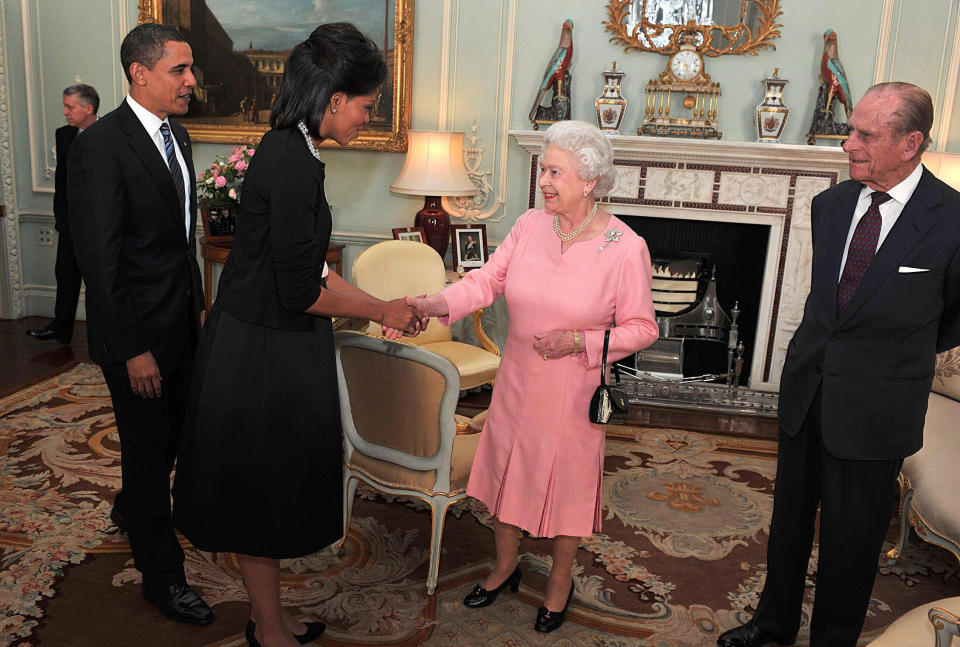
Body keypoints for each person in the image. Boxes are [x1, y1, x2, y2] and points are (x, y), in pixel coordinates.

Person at [172, 23, 425, 647]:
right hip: (261, 354)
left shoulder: (295, 151)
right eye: (367, 106)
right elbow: (301, 290)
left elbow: (307, 270)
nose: (368, 118)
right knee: (261, 495)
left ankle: (271, 616)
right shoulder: (289, 162)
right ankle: (267, 627)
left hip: (276, 342)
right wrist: (380, 308)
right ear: (334, 99)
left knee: (272, 488)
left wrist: (375, 305)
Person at [717, 82, 960, 647]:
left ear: (911, 143)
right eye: (851, 129)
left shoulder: (952, 220)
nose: (847, 143)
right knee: (789, 524)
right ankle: (771, 626)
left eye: (865, 135)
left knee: (853, 541)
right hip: (809, 390)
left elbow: (951, 317)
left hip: (878, 405)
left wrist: (891, 355)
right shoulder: (829, 206)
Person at [409, 120, 659, 634]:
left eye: (555, 172)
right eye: (543, 169)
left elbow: (642, 328)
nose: (544, 180)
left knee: (566, 488)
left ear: (589, 181)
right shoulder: (528, 226)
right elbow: (487, 281)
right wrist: (439, 301)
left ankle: (560, 582)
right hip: (517, 380)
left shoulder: (625, 246)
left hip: (573, 388)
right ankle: (504, 566)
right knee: (507, 476)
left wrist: (579, 341)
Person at [68, 23, 213, 625]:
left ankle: (132, 505)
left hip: (179, 323)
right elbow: (99, 263)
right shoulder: (100, 146)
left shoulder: (176, 135)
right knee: (149, 454)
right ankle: (162, 578)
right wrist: (132, 349)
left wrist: (198, 305)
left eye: (190, 68)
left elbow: (179, 243)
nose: (191, 80)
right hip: (134, 337)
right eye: (179, 69)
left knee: (177, 438)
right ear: (139, 73)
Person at [26, 84, 99, 345]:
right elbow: (62, 182)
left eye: (70, 107)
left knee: (98, 282)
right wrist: (61, 217)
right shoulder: (65, 135)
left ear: (88, 108)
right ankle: (61, 328)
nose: (65, 112)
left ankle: (101, 336)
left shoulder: (108, 134)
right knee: (65, 275)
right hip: (70, 223)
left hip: (99, 226)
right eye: (65, 106)